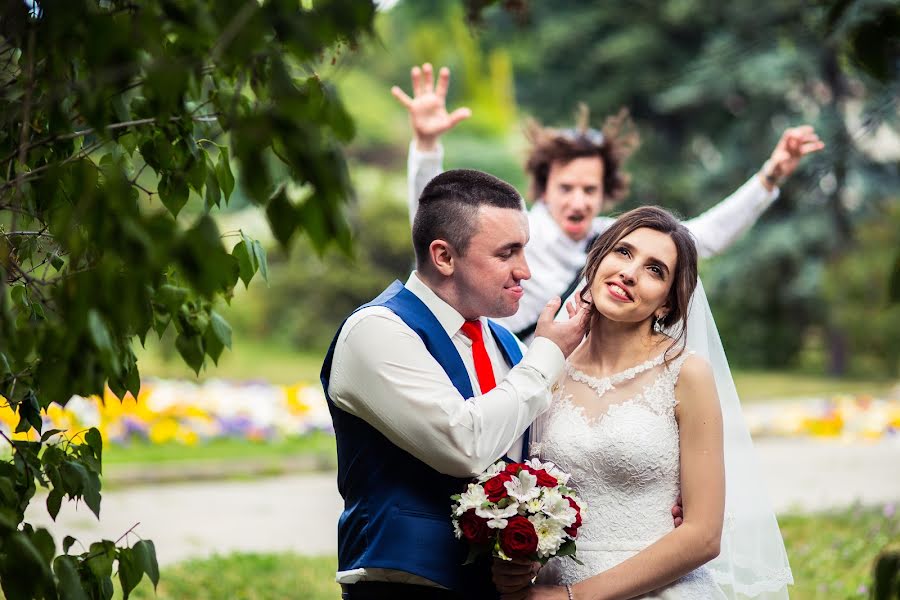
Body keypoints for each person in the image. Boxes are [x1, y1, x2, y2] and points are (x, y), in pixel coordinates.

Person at [391, 63, 825, 340]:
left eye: (589, 190)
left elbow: (703, 237)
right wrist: (427, 146)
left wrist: (770, 176)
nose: (578, 201)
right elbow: (435, 226)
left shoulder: (615, 240)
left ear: (605, 192)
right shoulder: (514, 233)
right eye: (567, 188)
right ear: (544, 188)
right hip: (497, 383)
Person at [492, 206, 792, 599]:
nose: (630, 273)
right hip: (550, 585)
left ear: (666, 303)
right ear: (597, 261)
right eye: (623, 252)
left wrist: (572, 598)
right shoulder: (546, 366)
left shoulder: (687, 374)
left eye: (655, 270)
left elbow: (703, 536)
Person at [321, 168, 591, 600]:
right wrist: (548, 354)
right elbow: (463, 444)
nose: (525, 270)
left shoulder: (504, 343)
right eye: (507, 253)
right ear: (444, 257)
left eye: (525, 250)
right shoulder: (376, 330)